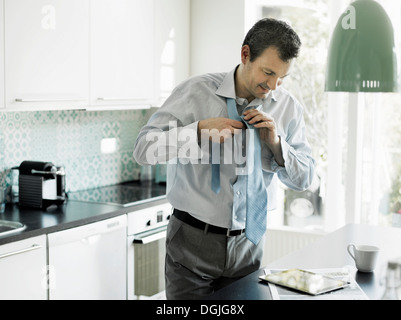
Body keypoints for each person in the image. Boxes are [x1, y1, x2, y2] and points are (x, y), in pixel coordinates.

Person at [133, 18, 315, 299]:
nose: (274, 85)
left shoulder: (288, 108)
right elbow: (144, 149)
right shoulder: (194, 92)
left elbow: (304, 178)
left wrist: (278, 144)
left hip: (249, 246)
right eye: (268, 73)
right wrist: (198, 131)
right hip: (191, 242)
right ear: (245, 55)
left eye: (282, 78)